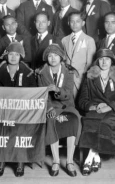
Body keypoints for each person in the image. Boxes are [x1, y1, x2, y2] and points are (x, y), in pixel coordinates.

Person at [78, 49, 115, 176]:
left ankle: (89, 158)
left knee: (102, 123)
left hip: (114, 113)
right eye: (101, 59)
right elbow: (82, 100)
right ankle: (96, 157)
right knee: (91, 121)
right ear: (97, 61)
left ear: (112, 61)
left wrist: (109, 106)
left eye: (107, 59)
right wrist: (94, 106)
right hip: (96, 110)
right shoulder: (90, 76)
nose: (104, 62)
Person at [0, 42, 37, 177]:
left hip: (22, 110)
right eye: (11, 54)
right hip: (2, 109)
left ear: (21, 57)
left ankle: (20, 161)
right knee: (1, 128)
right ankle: (1, 161)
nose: (13, 57)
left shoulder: (28, 73)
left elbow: (33, 92)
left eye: (17, 54)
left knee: (21, 129)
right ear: (6, 55)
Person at [37, 44, 81, 177]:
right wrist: (49, 107)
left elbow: (68, 93)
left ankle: (69, 161)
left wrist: (57, 90)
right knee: (51, 119)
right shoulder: (42, 73)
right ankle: (56, 161)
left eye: (56, 55)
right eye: (50, 56)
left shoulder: (69, 73)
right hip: (51, 106)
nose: (53, 58)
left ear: (61, 57)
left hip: (67, 105)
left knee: (74, 120)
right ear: (47, 59)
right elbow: (42, 94)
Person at [62, 11, 96, 99]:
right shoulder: (64, 40)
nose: (74, 24)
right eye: (72, 21)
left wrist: (84, 79)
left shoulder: (89, 40)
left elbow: (90, 64)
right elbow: (63, 60)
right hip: (67, 80)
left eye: (78, 21)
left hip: (81, 80)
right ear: (68, 23)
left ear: (83, 23)